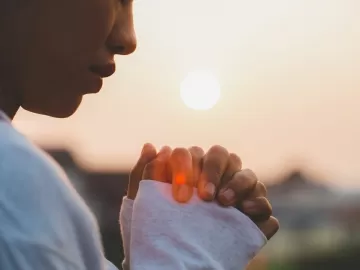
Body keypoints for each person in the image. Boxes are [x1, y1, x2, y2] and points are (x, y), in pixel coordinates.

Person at [0, 0, 279, 269]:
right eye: (119, 0)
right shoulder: (13, 184)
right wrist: (188, 258)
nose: (128, 40)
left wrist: (158, 251)